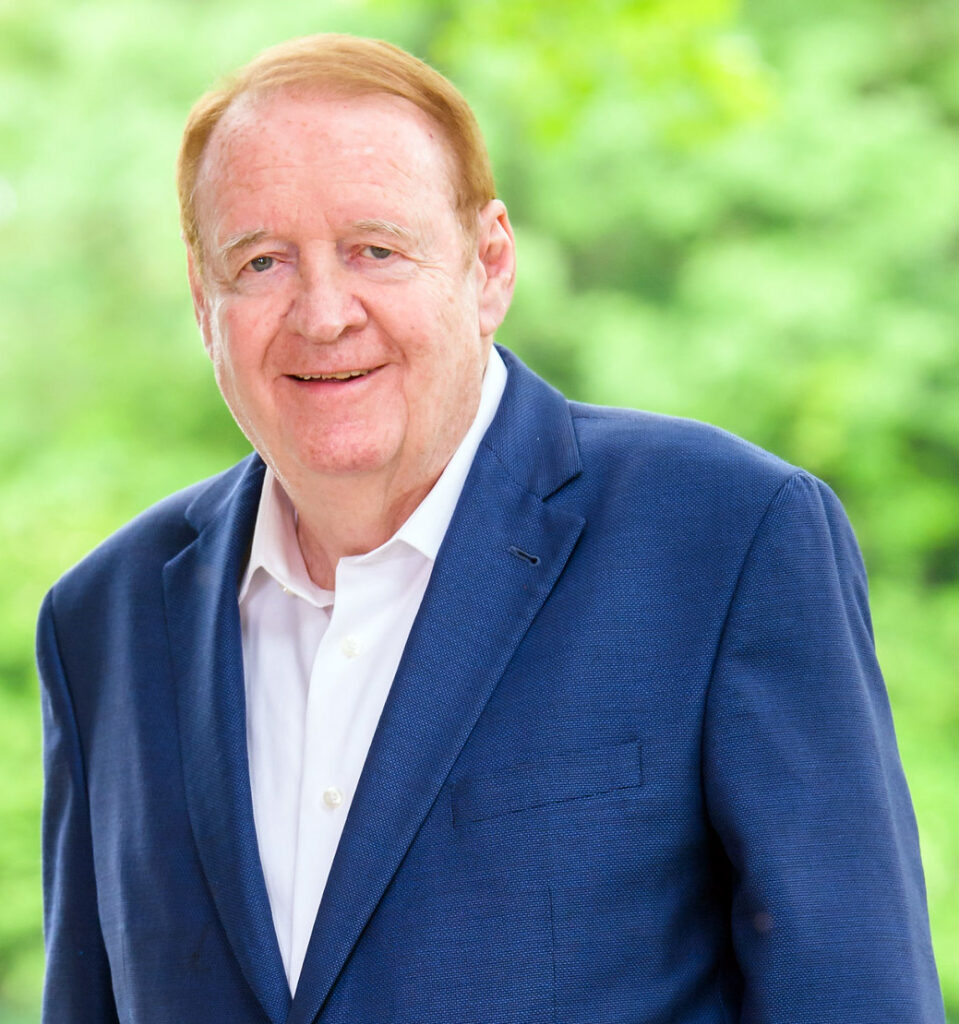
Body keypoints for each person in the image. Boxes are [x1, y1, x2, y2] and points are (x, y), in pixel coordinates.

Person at [37, 33, 944, 1024]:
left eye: (375, 250)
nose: (323, 313)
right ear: (204, 300)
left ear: (490, 266)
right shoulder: (102, 626)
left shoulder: (727, 539)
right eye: (261, 261)